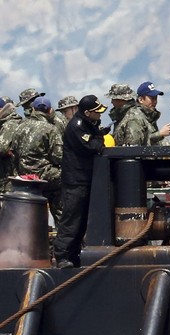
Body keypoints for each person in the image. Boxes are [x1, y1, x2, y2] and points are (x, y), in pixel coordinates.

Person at [52, 95, 109, 268]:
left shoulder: (89, 125)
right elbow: (92, 147)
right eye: (96, 112)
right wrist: (99, 138)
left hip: (85, 179)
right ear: (87, 112)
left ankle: (74, 255)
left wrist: (99, 135)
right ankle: (62, 256)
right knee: (71, 220)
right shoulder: (76, 127)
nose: (99, 115)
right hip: (75, 181)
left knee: (82, 221)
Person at [11, 96, 64, 226]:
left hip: (24, 178)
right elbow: (59, 157)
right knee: (65, 181)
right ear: (50, 110)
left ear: (33, 109)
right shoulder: (51, 129)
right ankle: (64, 233)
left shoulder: (19, 127)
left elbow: (14, 153)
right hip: (46, 177)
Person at [0, 96, 23, 245]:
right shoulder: (1, 126)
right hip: (4, 178)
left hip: (10, 178)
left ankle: (11, 245)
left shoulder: (9, 125)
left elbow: (0, 148)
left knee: (10, 215)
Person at [135, 81, 170, 145]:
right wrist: (160, 133)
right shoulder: (136, 117)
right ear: (141, 100)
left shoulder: (149, 116)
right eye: (152, 98)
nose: (155, 101)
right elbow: (136, 145)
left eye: (156, 98)